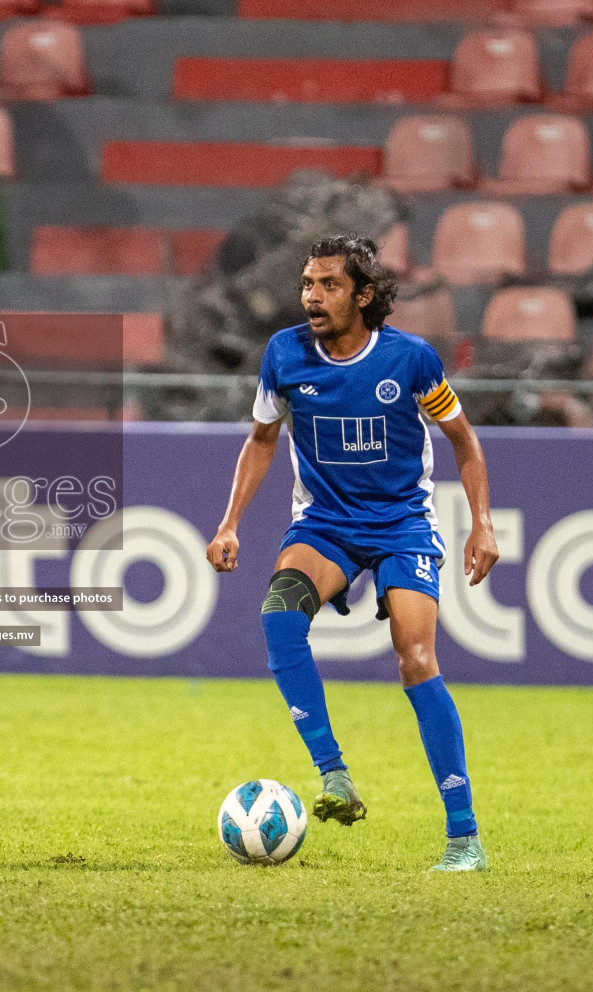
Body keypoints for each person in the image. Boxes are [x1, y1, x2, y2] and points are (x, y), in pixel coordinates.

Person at [205, 235, 499, 872]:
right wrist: (230, 524)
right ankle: (333, 774)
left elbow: (464, 443)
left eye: (328, 285)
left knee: (416, 658)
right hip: (326, 525)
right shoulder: (284, 354)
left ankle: (464, 837)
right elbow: (260, 441)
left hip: (401, 525)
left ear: (364, 295)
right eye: (307, 284)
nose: (311, 296)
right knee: (279, 618)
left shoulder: (412, 361)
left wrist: (482, 525)